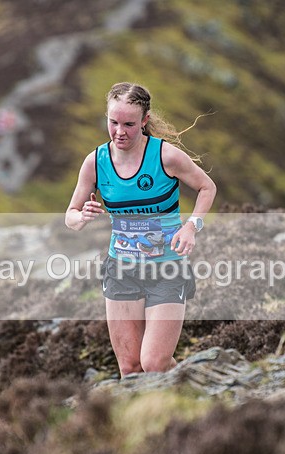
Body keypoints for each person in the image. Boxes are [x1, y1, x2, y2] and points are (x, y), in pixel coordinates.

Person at [65, 82, 217, 377]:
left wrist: (191, 227)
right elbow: (69, 216)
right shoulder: (95, 162)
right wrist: (81, 216)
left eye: (129, 124)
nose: (119, 131)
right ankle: (169, 403)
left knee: (154, 363)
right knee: (131, 368)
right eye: (113, 122)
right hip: (121, 272)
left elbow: (207, 187)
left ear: (145, 121)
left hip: (167, 271)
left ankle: (194, 384)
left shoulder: (166, 156)